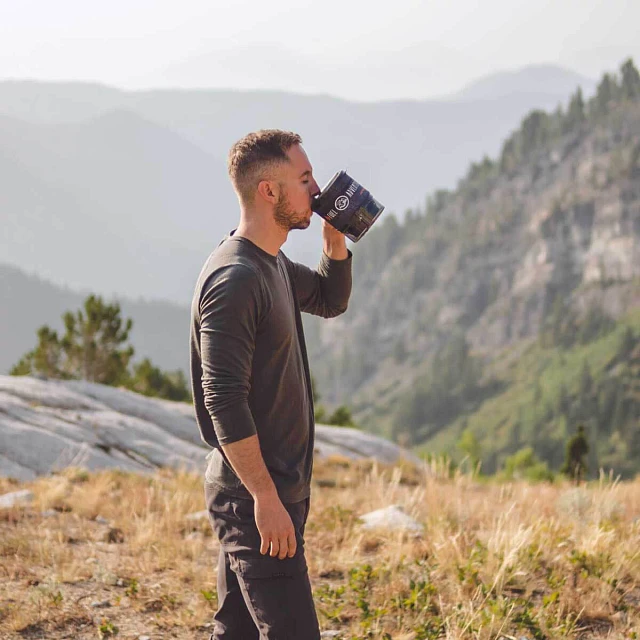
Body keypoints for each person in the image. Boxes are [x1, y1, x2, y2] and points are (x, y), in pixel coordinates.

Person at [189, 129, 353, 639]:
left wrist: (335, 246)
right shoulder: (236, 278)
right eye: (304, 180)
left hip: (272, 493)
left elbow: (328, 298)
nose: (317, 190)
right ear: (269, 191)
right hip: (253, 498)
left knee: (235, 632)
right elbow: (224, 399)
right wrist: (265, 499)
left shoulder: (272, 261)